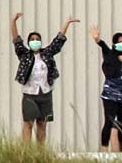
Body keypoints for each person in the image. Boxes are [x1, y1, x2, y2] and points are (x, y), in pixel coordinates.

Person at [11, 12, 80, 143]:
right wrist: (13, 22)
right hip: (30, 93)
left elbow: (58, 41)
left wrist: (67, 24)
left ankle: (40, 152)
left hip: (45, 92)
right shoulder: (25, 54)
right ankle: (25, 152)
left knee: (42, 124)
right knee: (28, 123)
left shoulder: (47, 53)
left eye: (37, 39)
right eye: (32, 39)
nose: (35, 41)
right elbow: (16, 40)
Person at [90, 26, 122, 152]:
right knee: (109, 121)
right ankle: (104, 149)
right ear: (114, 43)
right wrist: (97, 40)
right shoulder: (110, 55)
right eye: (119, 42)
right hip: (110, 95)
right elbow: (103, 46)